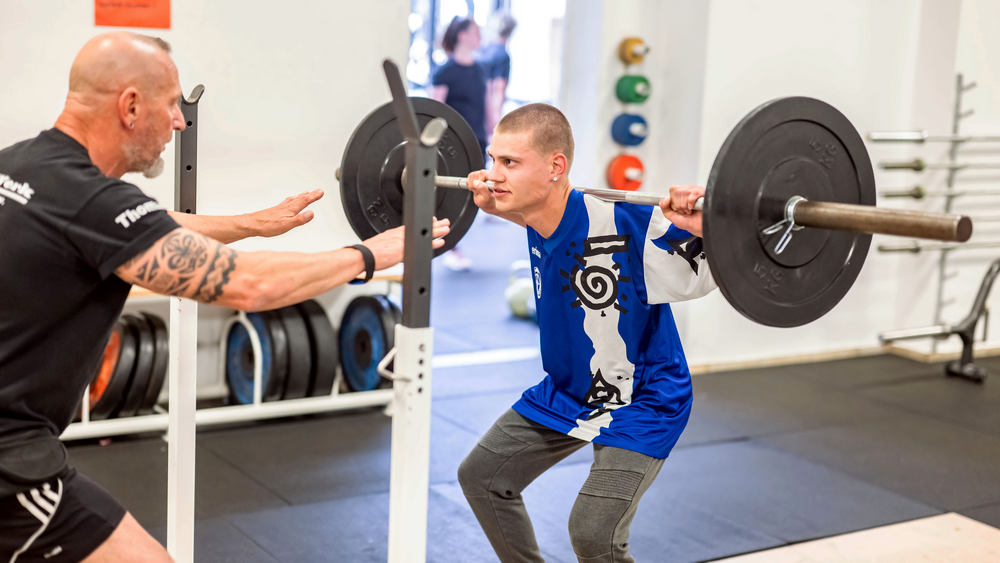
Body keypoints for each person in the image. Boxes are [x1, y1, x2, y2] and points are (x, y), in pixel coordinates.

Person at [0, 32, 449, 562]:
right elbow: (249, 285)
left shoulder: (22, 164)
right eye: (170, 105)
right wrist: (370, 255)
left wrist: (253, 224)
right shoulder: (94, 201)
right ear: (130, 106)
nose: (179, 122)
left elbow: (149, 227)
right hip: (12, 464)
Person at [457, 104, 716, 562]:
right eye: (492, 158)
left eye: (510, 162)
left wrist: (712, 225)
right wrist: (491, 197)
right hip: (569, 390)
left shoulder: (627, 222)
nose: (493, 174)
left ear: (556, 167)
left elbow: (715, 268)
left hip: (645, 400)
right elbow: (511, 207)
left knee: (593, 533)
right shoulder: (533, 213)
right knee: (482, 476)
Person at [430, 16, 488, 272]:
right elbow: (436, 110)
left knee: (470, 194)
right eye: (476, 32)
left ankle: (453, 241)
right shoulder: (445, 71)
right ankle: (451, 246)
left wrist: (495, 133)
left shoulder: (479, 69)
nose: (480, 37)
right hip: (452, 145)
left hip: (478, 139)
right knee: (451, 196)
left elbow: (487, 106)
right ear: (463, 35)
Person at [477, 12, 517, 138]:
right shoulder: (503, 56)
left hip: (476, 112)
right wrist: (496, 127)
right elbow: (498, 93)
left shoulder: (484, 51)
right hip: (488, 116)